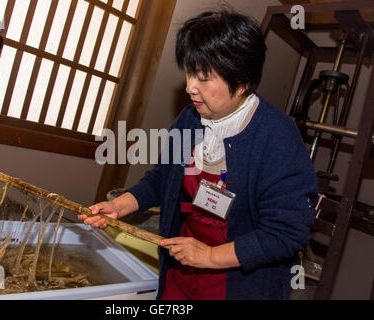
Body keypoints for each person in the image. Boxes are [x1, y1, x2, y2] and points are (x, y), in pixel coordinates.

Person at [79, 8, 318, 300]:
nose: (191, 86)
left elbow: (286, 234)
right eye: (191, 72)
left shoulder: (277, 138)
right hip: (182, 269)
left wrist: (210, 257)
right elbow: (163, 179)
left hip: (239, 283)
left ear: (241, 82)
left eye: (204, 78)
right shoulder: (191, 118)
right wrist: (120, 206)